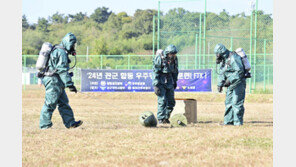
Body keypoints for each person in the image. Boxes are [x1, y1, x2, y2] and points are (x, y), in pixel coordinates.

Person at [39, 32, 83, 129]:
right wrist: (70, 84)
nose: (73, 46)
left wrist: (68, 84)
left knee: (63, 103)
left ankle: (70, 123)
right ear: (68, 42)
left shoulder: (59, 50)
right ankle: (44, 126)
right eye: (72, 44)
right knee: (50, 103)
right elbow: (62, 70)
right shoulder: (61, 52)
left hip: (57, 81)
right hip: (53, 80)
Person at [215, 43, 246, 126]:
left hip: (239, 83)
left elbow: (239, 71)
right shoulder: (224, 60)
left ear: (222, 52)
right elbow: (222, 73)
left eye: (217, 54)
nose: (217, 56)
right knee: (228, 103)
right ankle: (228, 122)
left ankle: (238, 123)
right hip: (231, 84)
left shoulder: (233, 58)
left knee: (236, 103)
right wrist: (220, 84)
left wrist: (230, 80)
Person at [152, 44, 179, 124]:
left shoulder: (175, 59)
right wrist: (156, 85)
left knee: (171, 102)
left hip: (170, 80)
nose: (173, 56)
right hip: (161, 81)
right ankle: (160, 118)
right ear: (167, 53)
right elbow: (156, 72)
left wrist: (175, 81)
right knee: (162, 100)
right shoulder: (160, 58)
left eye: (174, 54)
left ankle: (166, 118)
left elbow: (175, 71)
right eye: (172, 54)